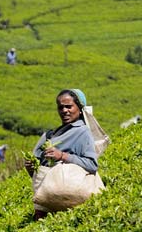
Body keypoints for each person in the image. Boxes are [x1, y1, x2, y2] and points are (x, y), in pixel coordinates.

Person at [24, 89, 98, 221]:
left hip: (70, 197)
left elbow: (92, 165)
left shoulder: (82, 132)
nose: (64, 111)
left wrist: (62, 156)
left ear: (80, 109)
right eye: (61, 107)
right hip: (46, 202)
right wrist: (31, 168)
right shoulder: (50, 135)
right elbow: (40, 174)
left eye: (69, 106)